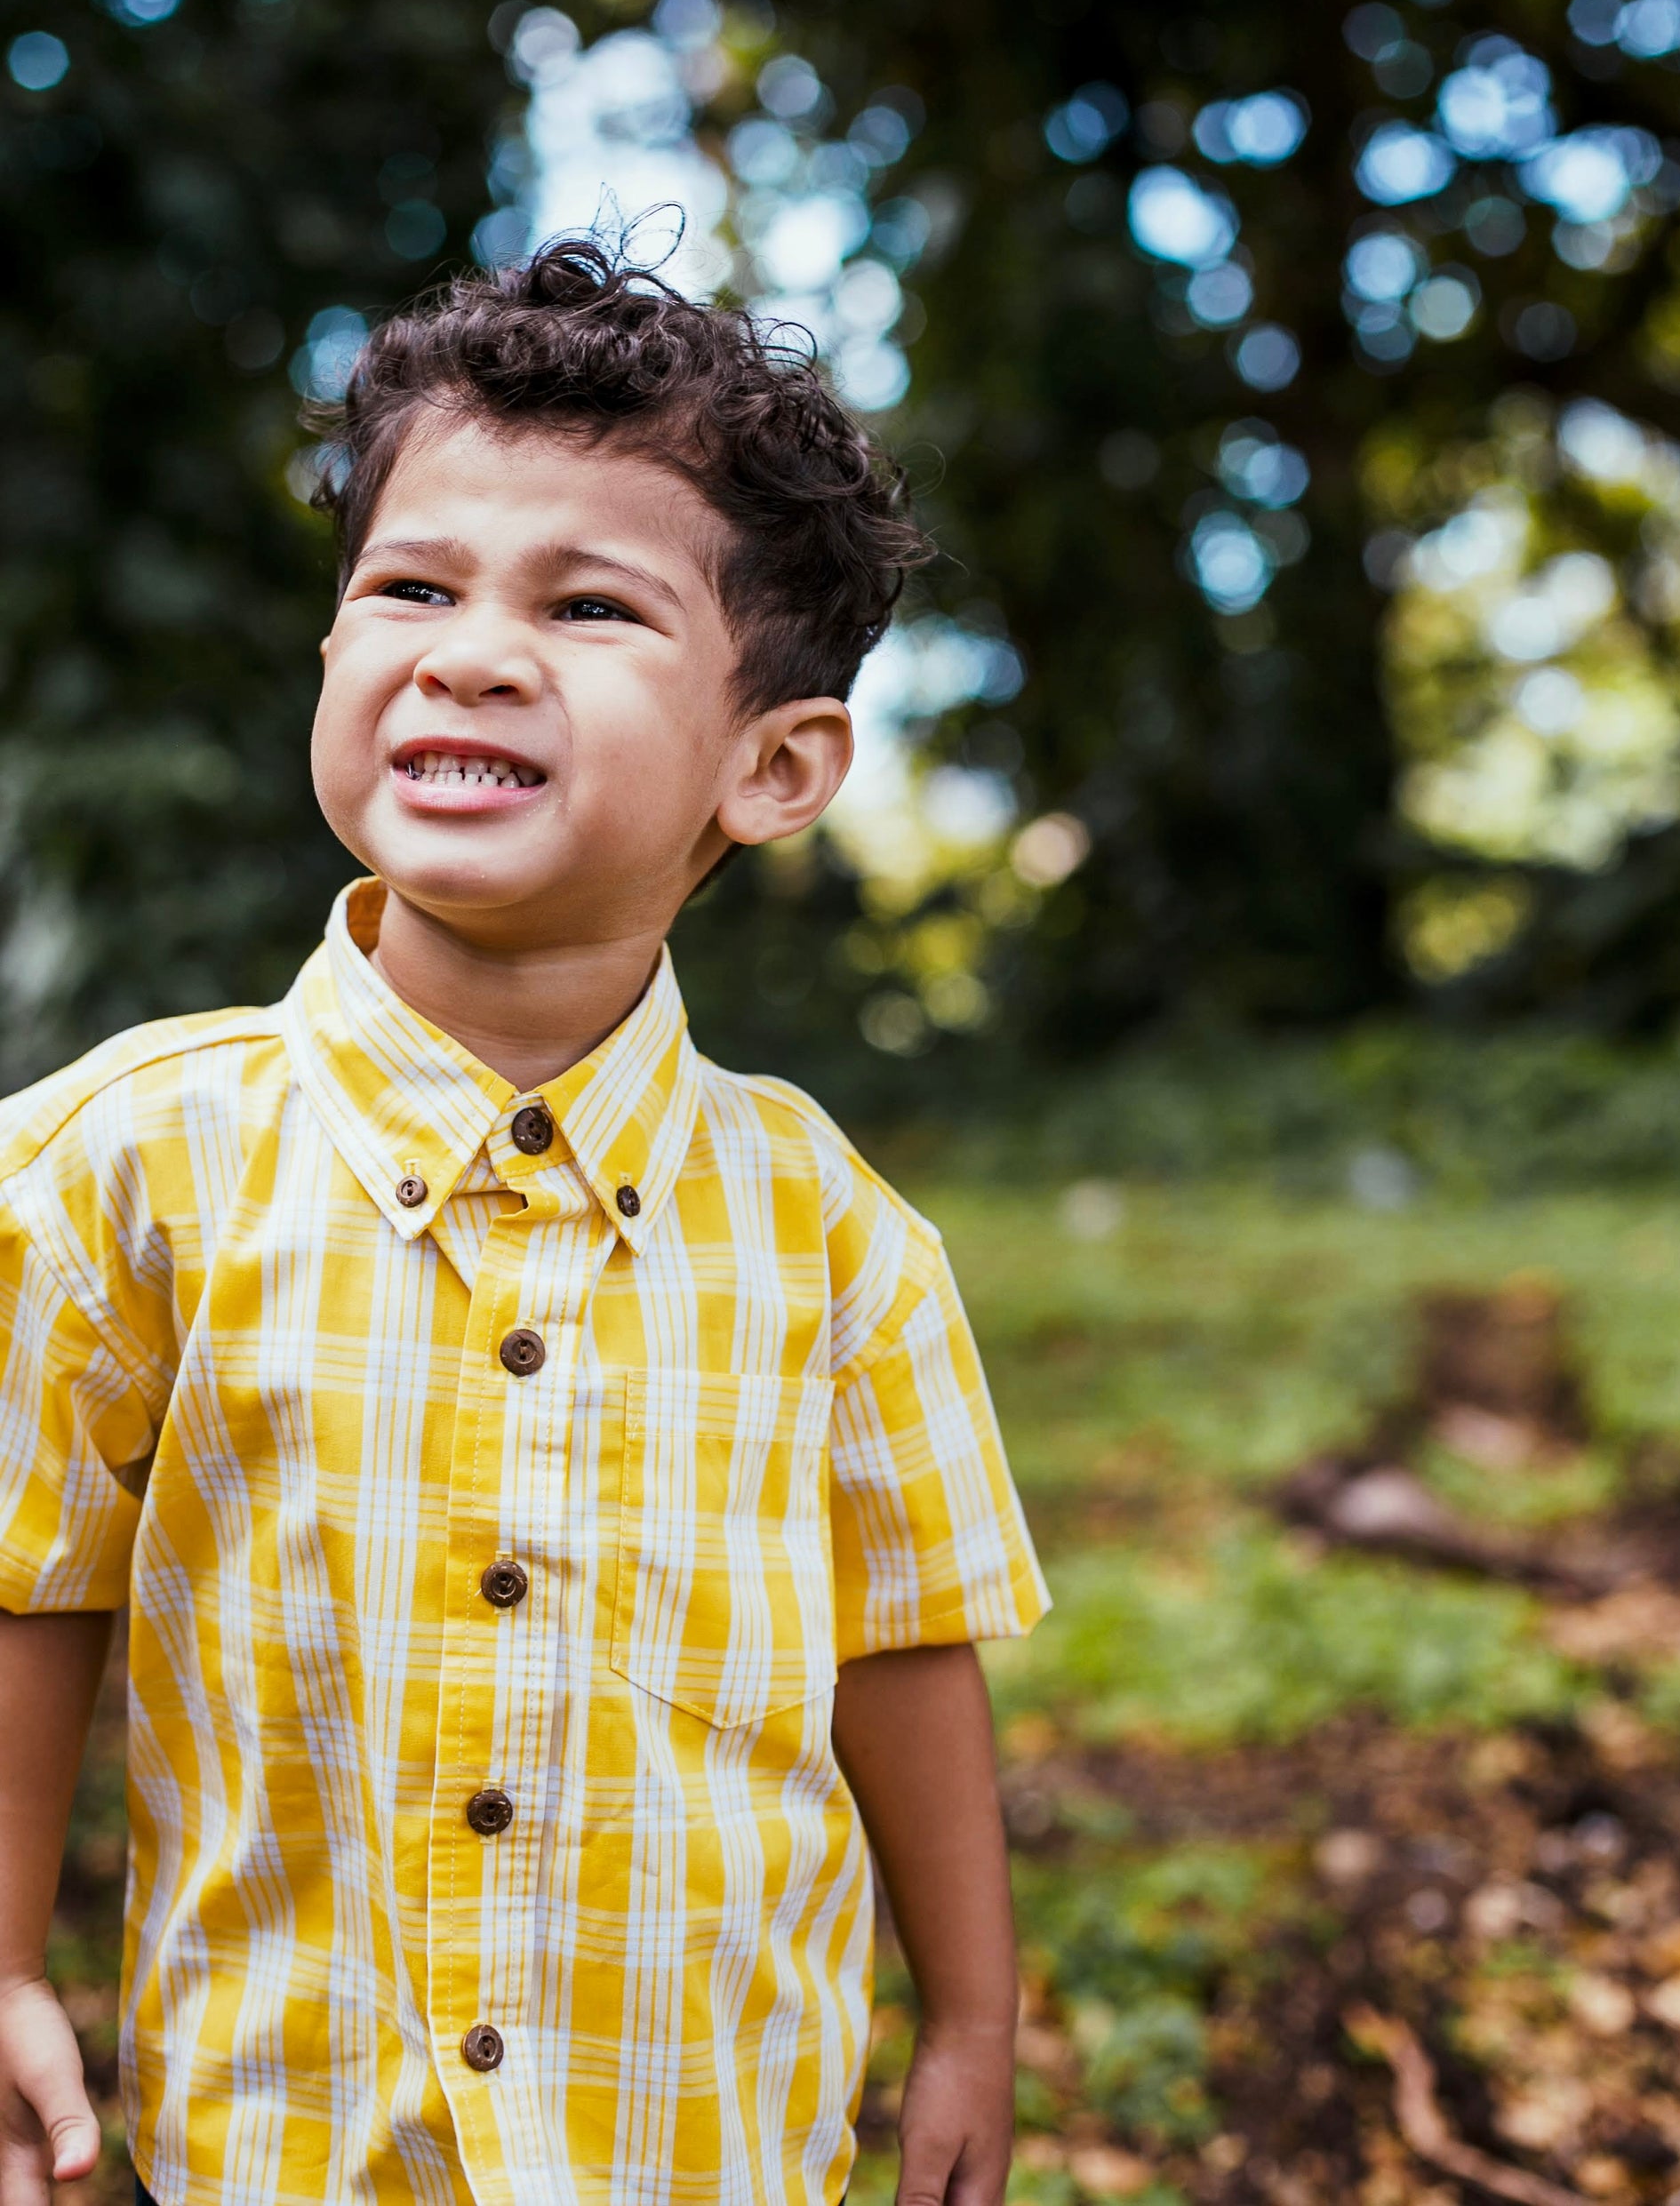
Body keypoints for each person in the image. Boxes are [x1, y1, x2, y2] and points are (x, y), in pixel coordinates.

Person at [0, 242, 1048, 2206]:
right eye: (408, 586)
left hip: (702, 2142)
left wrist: (973, 2025)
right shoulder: (123, 1164)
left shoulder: (837, 1242)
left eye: (589, 606)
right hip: (289, 2144)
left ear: (777, 762)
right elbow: (23, 1576)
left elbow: (902, 1651)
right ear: (330, 655)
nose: (470, 650)